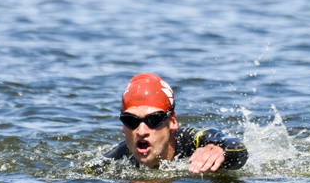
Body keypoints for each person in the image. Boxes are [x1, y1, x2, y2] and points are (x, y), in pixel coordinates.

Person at [104, 73, 248, 173]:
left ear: (172, 122)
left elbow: (238, 149)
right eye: (131, 121)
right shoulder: (116, 159)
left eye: (154, 120)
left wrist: (220, 150)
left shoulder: (194, 141)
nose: (141, 131)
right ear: (123, 127)